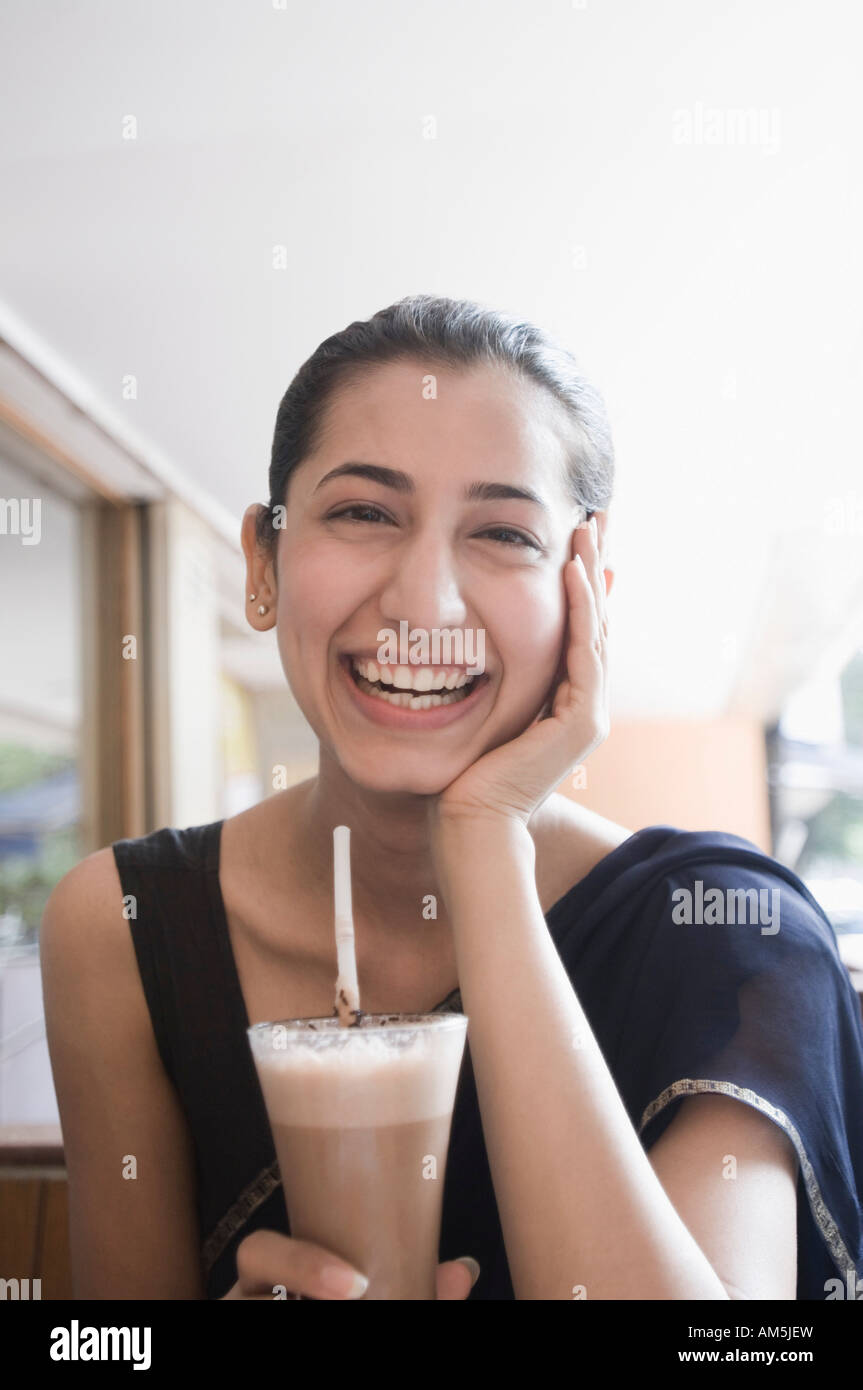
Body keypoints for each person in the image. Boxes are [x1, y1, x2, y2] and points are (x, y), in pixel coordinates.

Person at [41, 294, 863, 1301]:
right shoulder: (124, 926)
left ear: (584, 589)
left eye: (503, 533)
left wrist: (482, 842)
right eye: (361, 512)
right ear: (262, 561)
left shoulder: (731, 934)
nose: (422, 605)